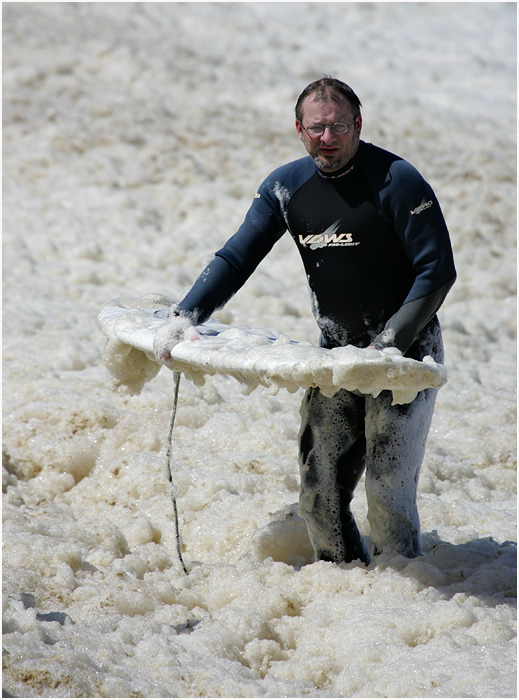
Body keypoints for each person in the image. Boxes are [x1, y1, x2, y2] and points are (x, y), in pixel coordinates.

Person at [154, 77, 456, 565]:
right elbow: (237, 257)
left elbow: (437, 270)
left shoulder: (397, 181)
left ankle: (401, 595)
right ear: (299, 129)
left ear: (358, 125)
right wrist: (185, 315)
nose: (328, 137)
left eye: (339, 126)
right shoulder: (286, 186)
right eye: (316, 128)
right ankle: (343, 588)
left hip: (406, 358)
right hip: (335, 353)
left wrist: (388, 346)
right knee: (319, 490)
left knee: (387, 493)